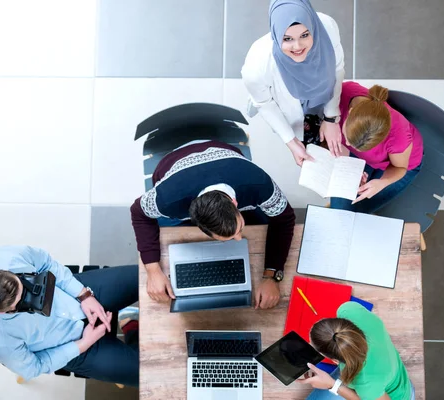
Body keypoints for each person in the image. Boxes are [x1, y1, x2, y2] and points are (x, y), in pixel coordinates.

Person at [130, 140, 296, 310]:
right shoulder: (168, 199)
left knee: (266, 219)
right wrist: (152, 269)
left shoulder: (258, 183)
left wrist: (272, 275)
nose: (239, 239)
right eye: (228, 238)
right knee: (165, 227)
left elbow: (285, 219)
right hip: (172, 167)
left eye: (238, 230)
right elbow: (138, 213)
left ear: (234, 202)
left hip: (230, 160)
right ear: (196, 222)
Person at [0, 245, 139, 386]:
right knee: (144, 372)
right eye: (23, 299)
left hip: (74, 294)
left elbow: (46, 262)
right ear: (3, 311)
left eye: (24, 283)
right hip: (74, 347)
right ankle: (131, 327)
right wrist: (84, 343)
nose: (30, 292)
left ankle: (128, 321)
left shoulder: (7, 256)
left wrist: (84, 295)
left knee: (144, 278)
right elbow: (34, 367)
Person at [242, 0, 346, 166]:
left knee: (341, 149)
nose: (297, 46)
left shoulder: (326, 27)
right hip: (291, 108)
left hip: (323, 96)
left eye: (305, 35)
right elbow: (264, 103)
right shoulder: (257, 64)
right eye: (287, 38)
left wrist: (331, 118)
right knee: (318, 162)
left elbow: (337, 69)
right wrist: (291, 141)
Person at [330, 82, 424, 213]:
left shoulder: (399, 137)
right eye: (348, 138)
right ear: (351, 112)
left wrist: (382, 183)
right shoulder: (343, 93)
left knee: (357, 212)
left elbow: (400, 167)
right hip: (371, 160)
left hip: (399, 165)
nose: (348, 144)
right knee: (339, 211)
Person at [301, 302, 415, 400]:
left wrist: (332, 385)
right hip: (391, 378)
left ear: (335, 361)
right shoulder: (349, 310)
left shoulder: (366, 380)